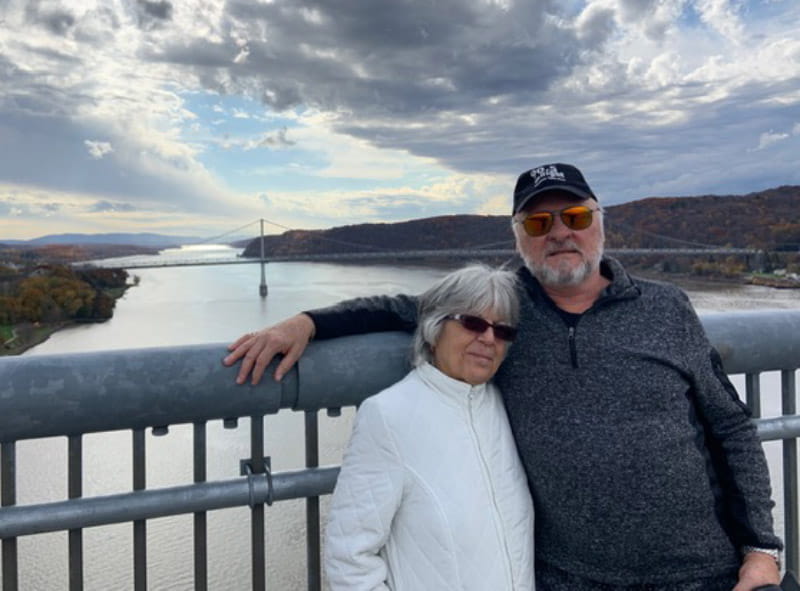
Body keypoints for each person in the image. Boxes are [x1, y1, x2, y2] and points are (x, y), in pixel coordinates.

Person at [224, 163, 783, 590]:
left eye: (577, 217)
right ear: (518, 237)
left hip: (703, 573)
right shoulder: (498, 313)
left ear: (600, 223)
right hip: (571, 582)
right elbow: (404, 306)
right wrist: (307, 322)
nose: (560, 232)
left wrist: (761, 547)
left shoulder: (667, 308)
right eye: (539, 222)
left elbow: (731, 428)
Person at [323, 264, 534, 590]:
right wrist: (308, 323)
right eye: (472, 323)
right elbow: (349, 559)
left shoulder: (505, 403)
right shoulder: (388, 415)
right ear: (434, 329)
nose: (489, 338)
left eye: (503, 330)